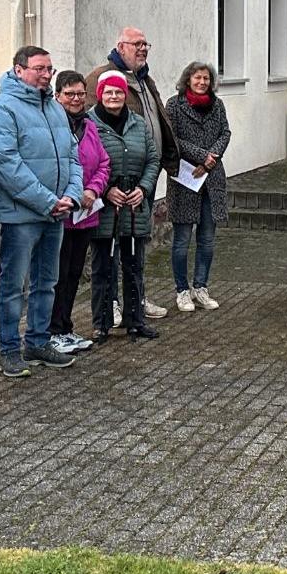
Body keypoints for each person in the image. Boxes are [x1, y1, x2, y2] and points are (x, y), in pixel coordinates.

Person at [0, 46, 83, 378]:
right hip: (20, 215)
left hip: (55, 212)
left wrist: (71, 195)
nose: (46, 74)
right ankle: (9, 349)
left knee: (47, 282)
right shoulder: (1, 110)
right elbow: (7, 165)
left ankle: (37, 341)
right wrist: (47, 201)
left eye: (50, 68)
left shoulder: (53, 108)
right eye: (39, 68)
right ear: (18, 69)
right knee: (13, 286)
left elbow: (72, 156)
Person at [90, 26, 175, 320]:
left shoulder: (144, 79)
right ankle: (111, 303)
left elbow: (154, 125)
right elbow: (92, 137)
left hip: (142, 181)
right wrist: (105, 186)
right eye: (136, 44)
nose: (142, 49)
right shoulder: (101, 76)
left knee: (136, 248)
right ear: (120, 46)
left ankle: (136, 302)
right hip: (111, 186)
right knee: (111, 247)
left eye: (145, 44)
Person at [91, 70, 161, 340]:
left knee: (134, 266)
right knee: (103, 267)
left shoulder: (138, 123)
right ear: (100, 94)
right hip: (106, 206)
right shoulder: (90, 123)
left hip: (134, 206)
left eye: (118, 92)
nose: (113, 96)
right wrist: (106, 191)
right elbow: (86, 163)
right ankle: (102, 323)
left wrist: (143, 188)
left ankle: (135, 320)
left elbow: (153, 160)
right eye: (108, 91)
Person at [48, 70, 108, 356]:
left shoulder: (90, 125)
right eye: (69, 94)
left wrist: (93, 190)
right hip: (60, 213)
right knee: (56, 275)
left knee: (74, 274)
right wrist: (72, 194)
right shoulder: (53, 125)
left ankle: (66, 326)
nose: (75, 99)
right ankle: (51, 330)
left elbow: (103, 163)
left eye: (81, 94)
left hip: (86, 213)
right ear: (57, 96)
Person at [164, 61, 231, 313]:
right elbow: (173, 138)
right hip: (186, 177)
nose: (202, 82)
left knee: (207, 240)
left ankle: (200, 287)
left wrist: (211, 158)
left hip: (211, 178)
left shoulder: (218, 105)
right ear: (188, 79)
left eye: (206, 78)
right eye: (197, 78)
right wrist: (202, 156)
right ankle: (182, 290)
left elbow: (225, 133)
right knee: (182, 240)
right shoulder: (174, 105)